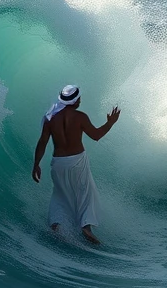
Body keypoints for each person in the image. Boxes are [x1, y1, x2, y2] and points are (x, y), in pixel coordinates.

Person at [32, 84, 120, 244]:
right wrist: (110, 123)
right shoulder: (80, 117)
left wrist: (36, 164)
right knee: (86, 193)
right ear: (74, 101)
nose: (80, 100)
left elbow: (43, 142)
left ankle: (56, 225)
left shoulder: (49, 118)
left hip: (58, 163)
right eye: (78, 98)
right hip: (77, 161)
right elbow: (96, 135)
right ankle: (86, 227)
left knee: (59, 194)